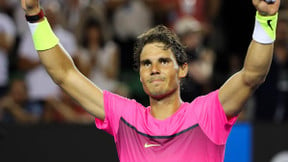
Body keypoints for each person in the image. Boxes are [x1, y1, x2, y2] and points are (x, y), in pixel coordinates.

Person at [20, 0, 280, 161]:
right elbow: (64, 75)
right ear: (141, 75)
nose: (154, 68)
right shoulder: (126, 117)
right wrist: (34, 18)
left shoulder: (207, 113)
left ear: (183, 70)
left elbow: (252, 75)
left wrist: (266, 18)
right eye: (146, 63)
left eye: (163, 61)